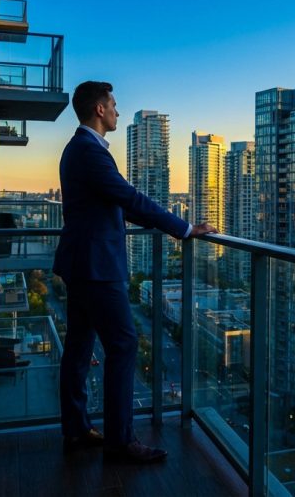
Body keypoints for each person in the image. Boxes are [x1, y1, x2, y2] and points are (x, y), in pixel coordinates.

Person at [54, 81, 216, 463]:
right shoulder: (89, 151)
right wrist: (184, 228)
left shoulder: (78, 149)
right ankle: (120, 441)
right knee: (123, 344)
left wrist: (173, 226)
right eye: (113, 104)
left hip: (81, 264)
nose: (117, 111)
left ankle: (76, 429)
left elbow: (118, 204)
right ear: (99, 109)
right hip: (97, 267)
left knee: (78, 349)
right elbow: (130, 198)